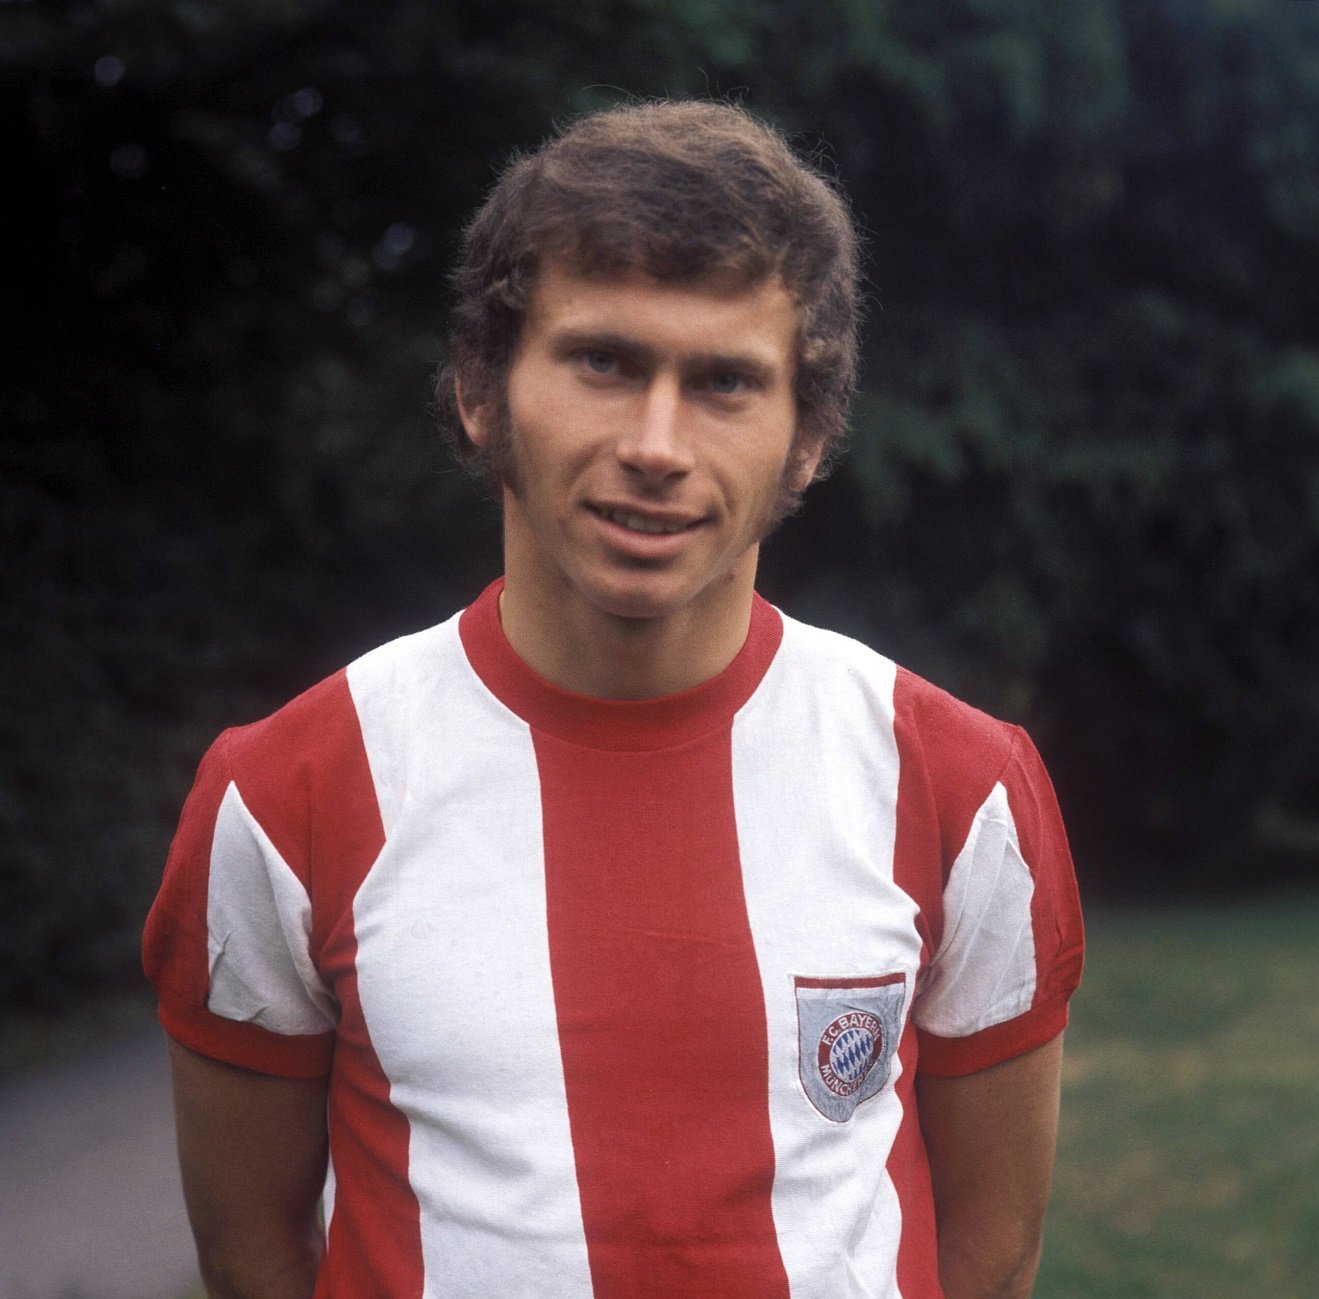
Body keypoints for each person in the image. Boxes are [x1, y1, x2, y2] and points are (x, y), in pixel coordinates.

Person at [144, 99, 1083, 1299]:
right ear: (482, 393)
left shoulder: (962, 787)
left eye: (724, 383)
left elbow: (988, 1258)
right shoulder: (286, 793)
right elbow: (250, 1255)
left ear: (805, 440)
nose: (655, 442)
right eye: (603, 361)